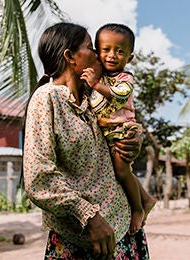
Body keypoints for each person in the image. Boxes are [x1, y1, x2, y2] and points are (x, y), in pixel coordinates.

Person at [23, 22, 149, 259]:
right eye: (91, 47)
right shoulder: (46, 99)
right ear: (70, 57)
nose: (98, 54)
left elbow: (121, 124)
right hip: (83, 238)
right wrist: (88, 216)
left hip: (123, 228)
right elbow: (39, 177)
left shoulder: (93, 96)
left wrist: (135, 138)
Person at [81, 23, 156, 234]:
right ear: (96, 53)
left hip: (124, 130)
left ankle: (139, 208)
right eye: (106, 49)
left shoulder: (125, 78)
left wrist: (96, 84)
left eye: (120, 51)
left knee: (122, 170)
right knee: (121, 170)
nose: (112, 55)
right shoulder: (99, 74)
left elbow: (119, 95)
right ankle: (147, 198)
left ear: (129, 58)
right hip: (109, 132)